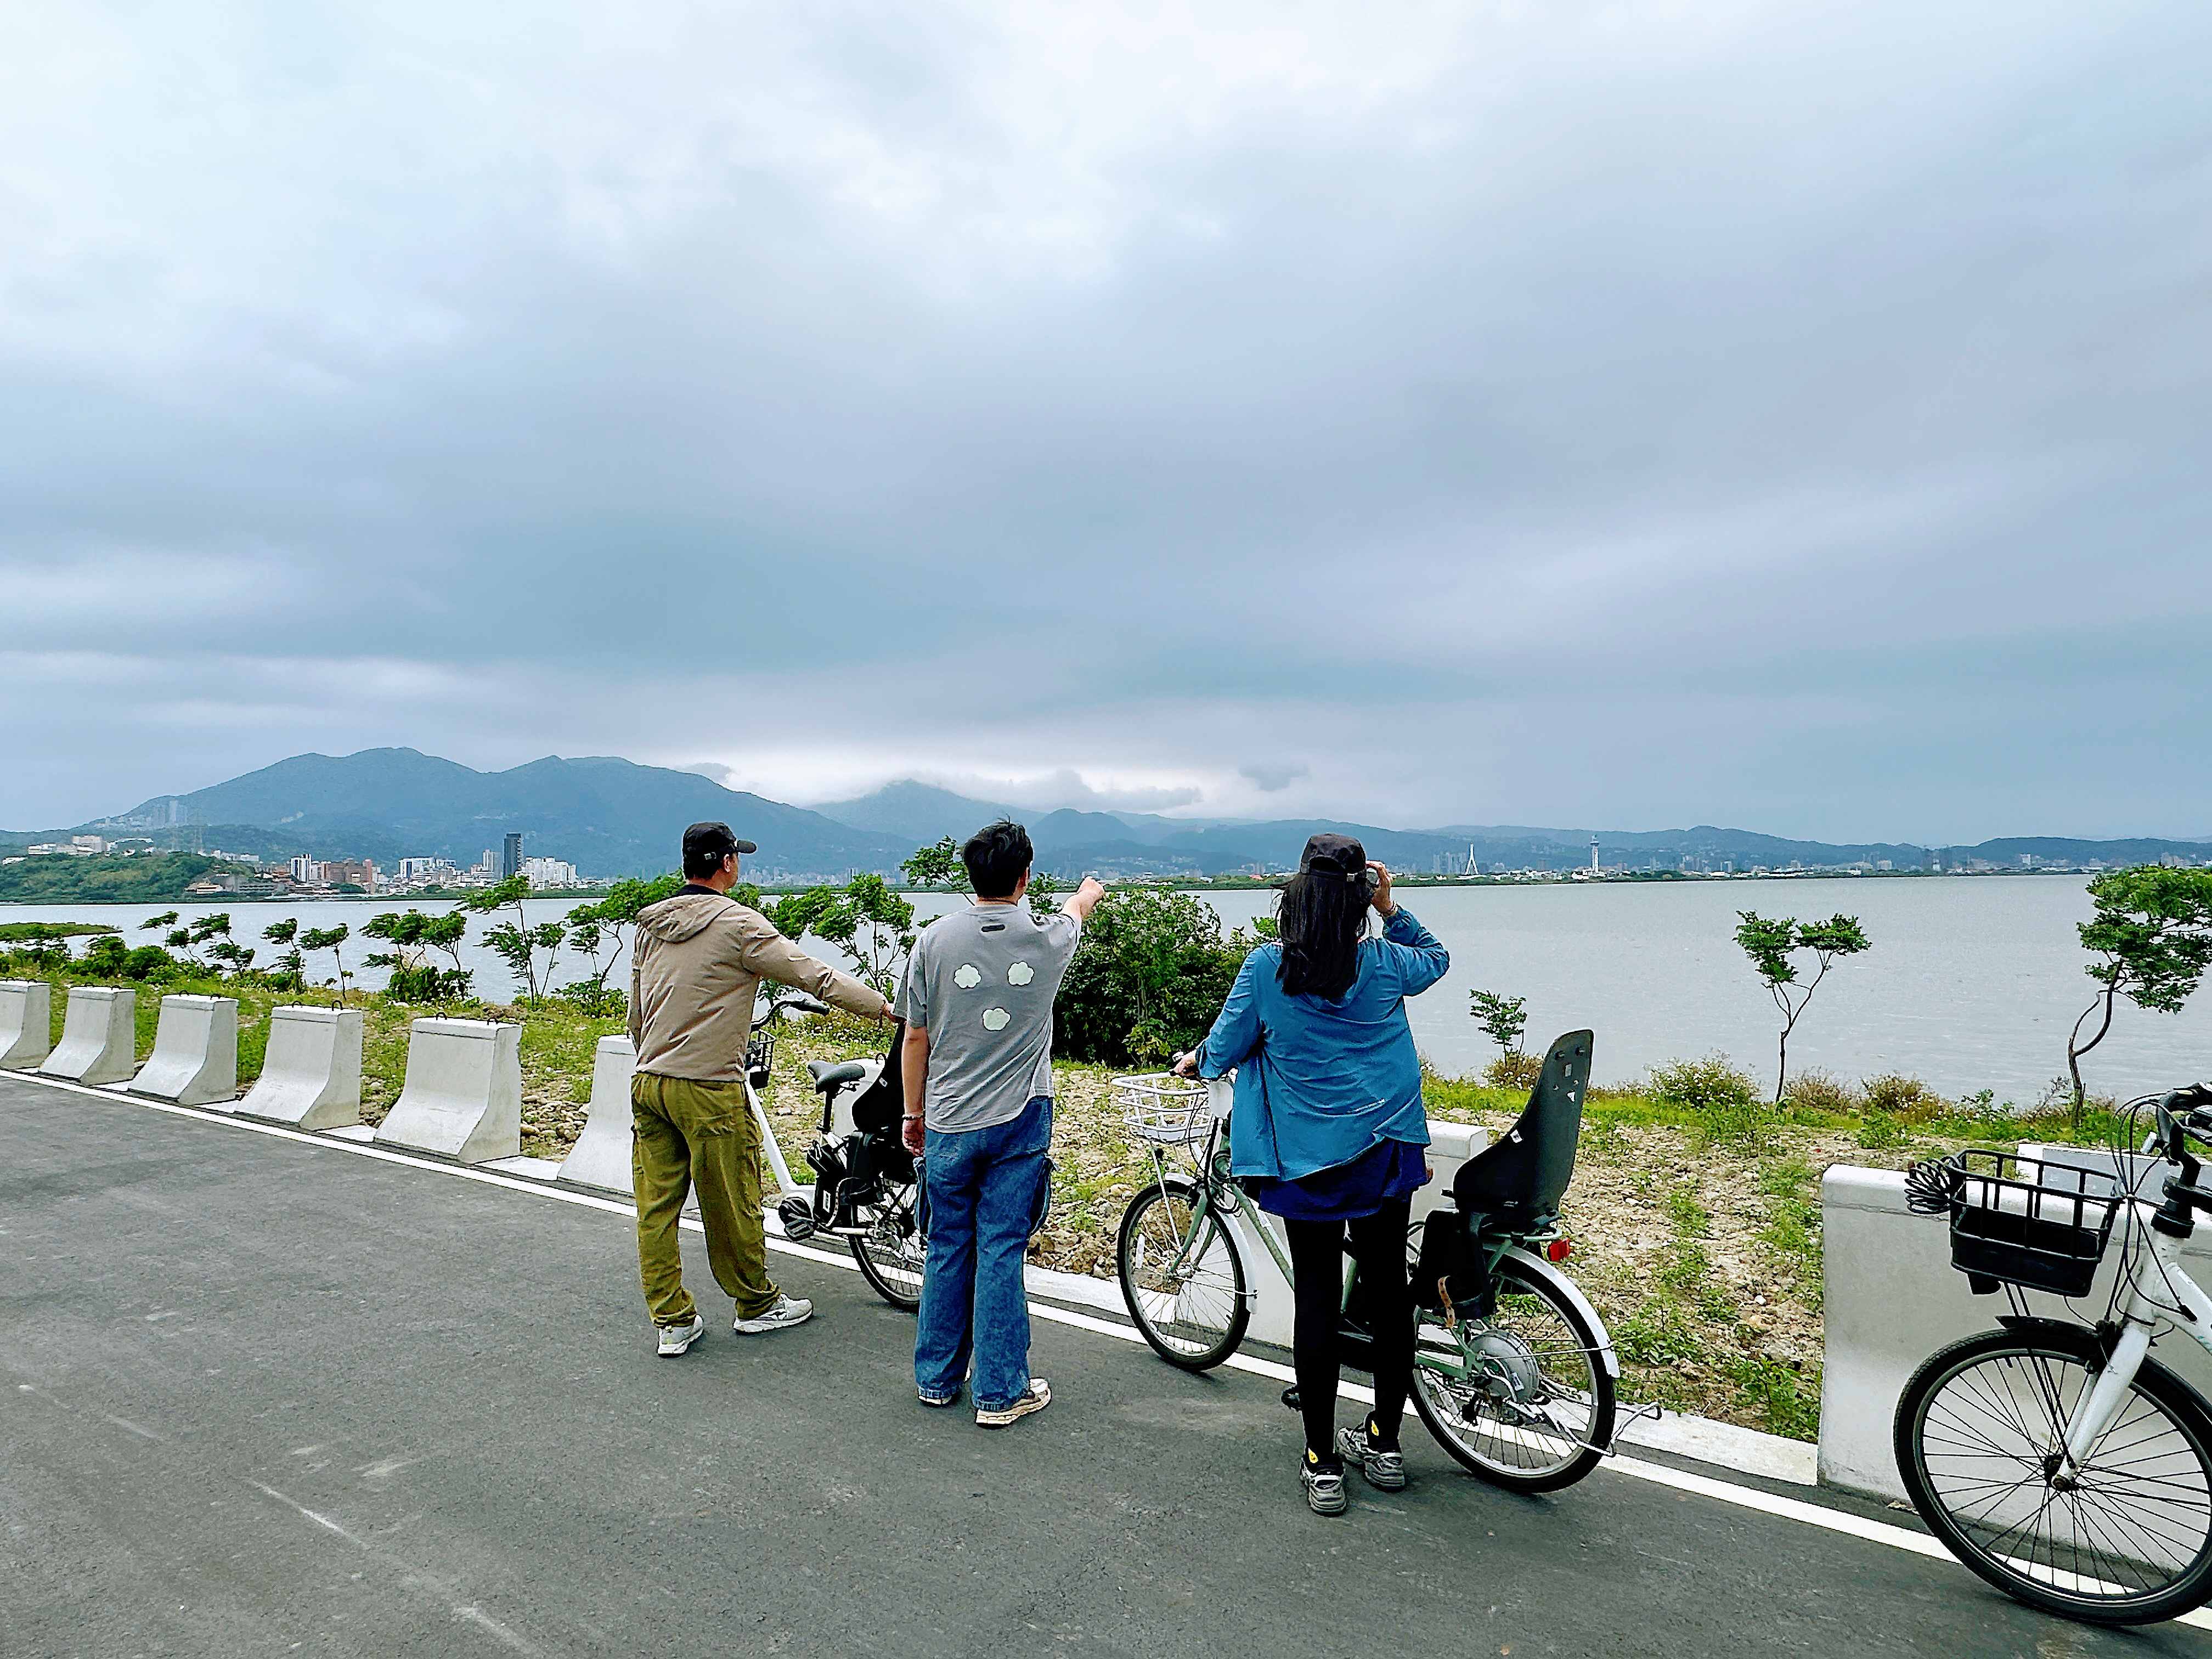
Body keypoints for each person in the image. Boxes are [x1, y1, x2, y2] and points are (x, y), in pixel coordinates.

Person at [1172, 833, 1448, 1515]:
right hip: (1386, 1145)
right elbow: (1438, 958)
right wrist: (1392, 906)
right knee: (1388, 1290)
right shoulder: (1385, 962)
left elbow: (1227, 1047)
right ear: (1360, 895)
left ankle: (1323, 1461)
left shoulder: (1268, 968)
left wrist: (1197, 1061)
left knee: (1319, 1297)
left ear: (1295, 894)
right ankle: (1385, 1443)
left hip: (1307, 1159)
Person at [629, 821, 895, 1355]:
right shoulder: (738, 924)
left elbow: (636, 1014)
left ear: (687, 865)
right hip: (707, 1086)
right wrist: (886, 1009)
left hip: (648, 1080)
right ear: (727, 863)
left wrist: (654, 1057)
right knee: (733, 1201)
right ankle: (756, 1304)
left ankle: (673, 1321)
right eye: (737, 857)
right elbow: (813, 976)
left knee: (657, 1209)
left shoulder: (651, 925)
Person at [898, 820, 1104, 1426]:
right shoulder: (1046, 939)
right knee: (1000, 1249)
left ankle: (935, 1379)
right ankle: (1000, 1391)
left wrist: (915, 1112)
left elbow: (915, 1034)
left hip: (950, 1116)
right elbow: (1074, 913)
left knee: (946, 1244)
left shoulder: (934, 941)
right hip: (1019, 1116)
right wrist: (1087, 895)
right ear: (1024, 878)